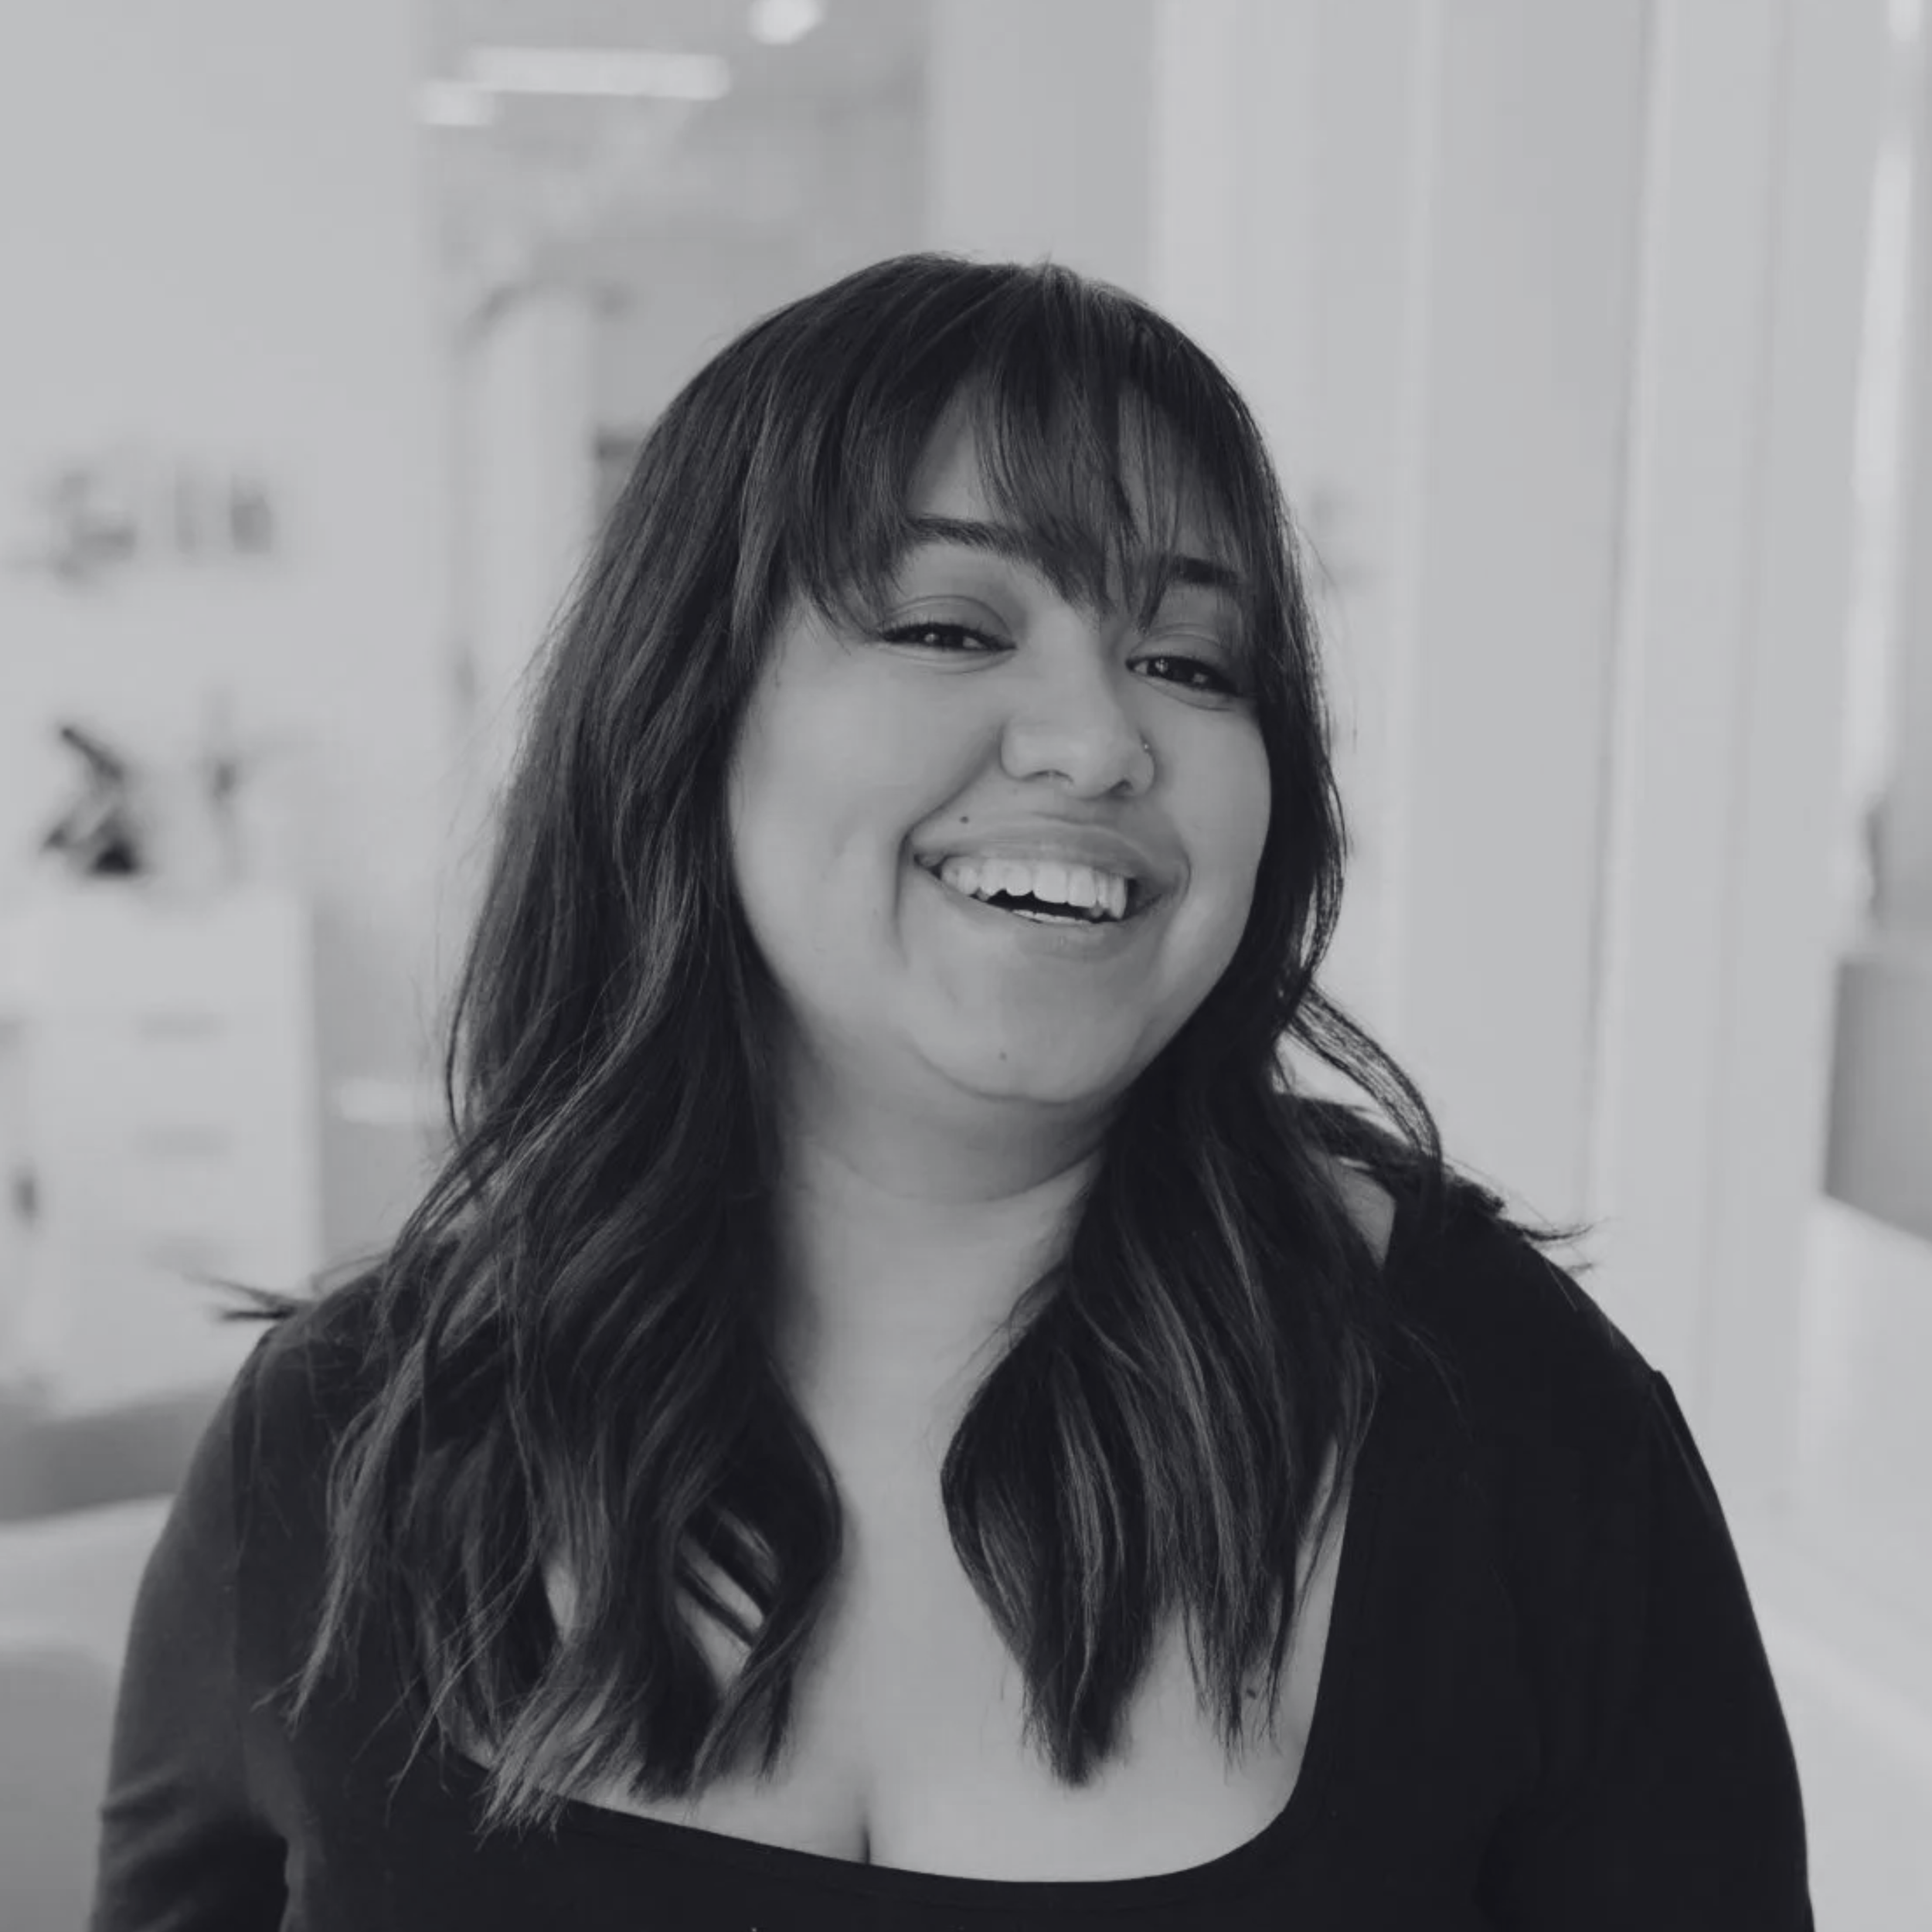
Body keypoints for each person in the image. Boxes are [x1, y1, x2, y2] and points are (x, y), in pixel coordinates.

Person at [90, 253, 1813, 1929]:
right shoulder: (335, 1445)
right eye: (947, 624)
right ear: (683, 717)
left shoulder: (1510, 1422)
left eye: (1190, 661)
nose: (1099, 740)